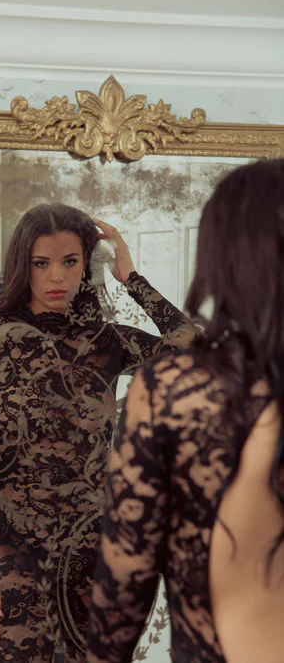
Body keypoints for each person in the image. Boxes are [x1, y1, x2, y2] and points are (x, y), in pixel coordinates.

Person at [0, 203, 196, 663]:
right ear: (23, 266)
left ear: (87, 265)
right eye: (41, 263)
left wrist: (131, 278)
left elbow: (197, 353)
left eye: (69, 261)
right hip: (16, 556)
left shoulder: (107, 341)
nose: (56, 277)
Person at [86, 160, 284, 663]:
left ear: (223, 258)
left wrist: (131, 278)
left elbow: (127, 579)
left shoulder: (177, 389)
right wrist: (131, 277)